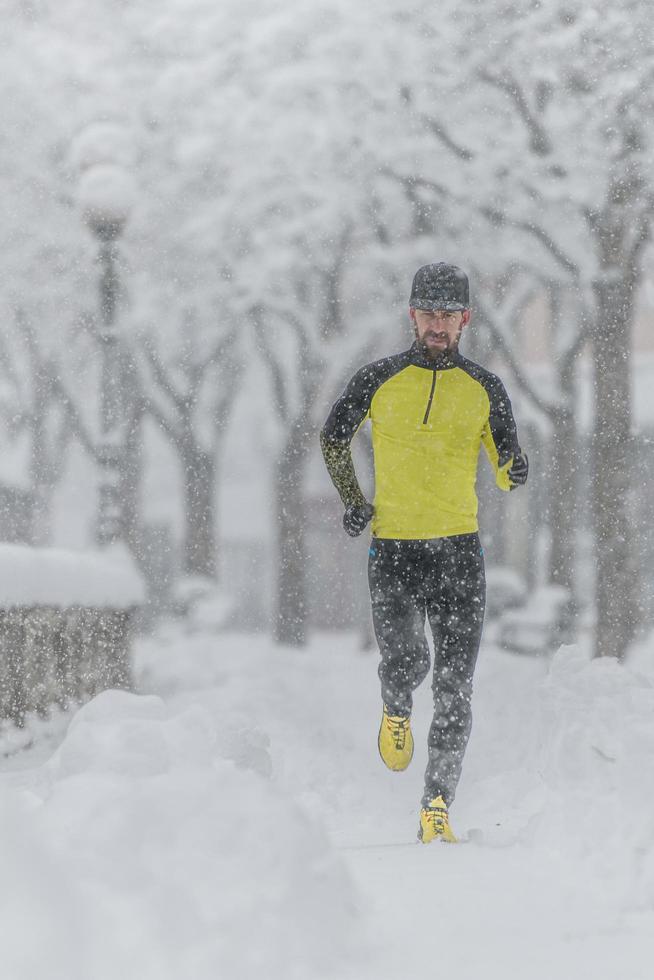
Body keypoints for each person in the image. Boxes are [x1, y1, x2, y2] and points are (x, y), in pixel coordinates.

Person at [320, 262, 528, 843]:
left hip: (460, 552)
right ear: (412, 315)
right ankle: (395, 706)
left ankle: (437, 803)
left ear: (465, 320)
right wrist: (354, 500)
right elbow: (333, 437)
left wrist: (517, 466)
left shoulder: (486, 388)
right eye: (428, 314)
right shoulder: (378, 378)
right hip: (394, 550)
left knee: (456, 683)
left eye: (448, 316)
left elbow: (508, 471)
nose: (438, 326)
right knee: (407, 660)